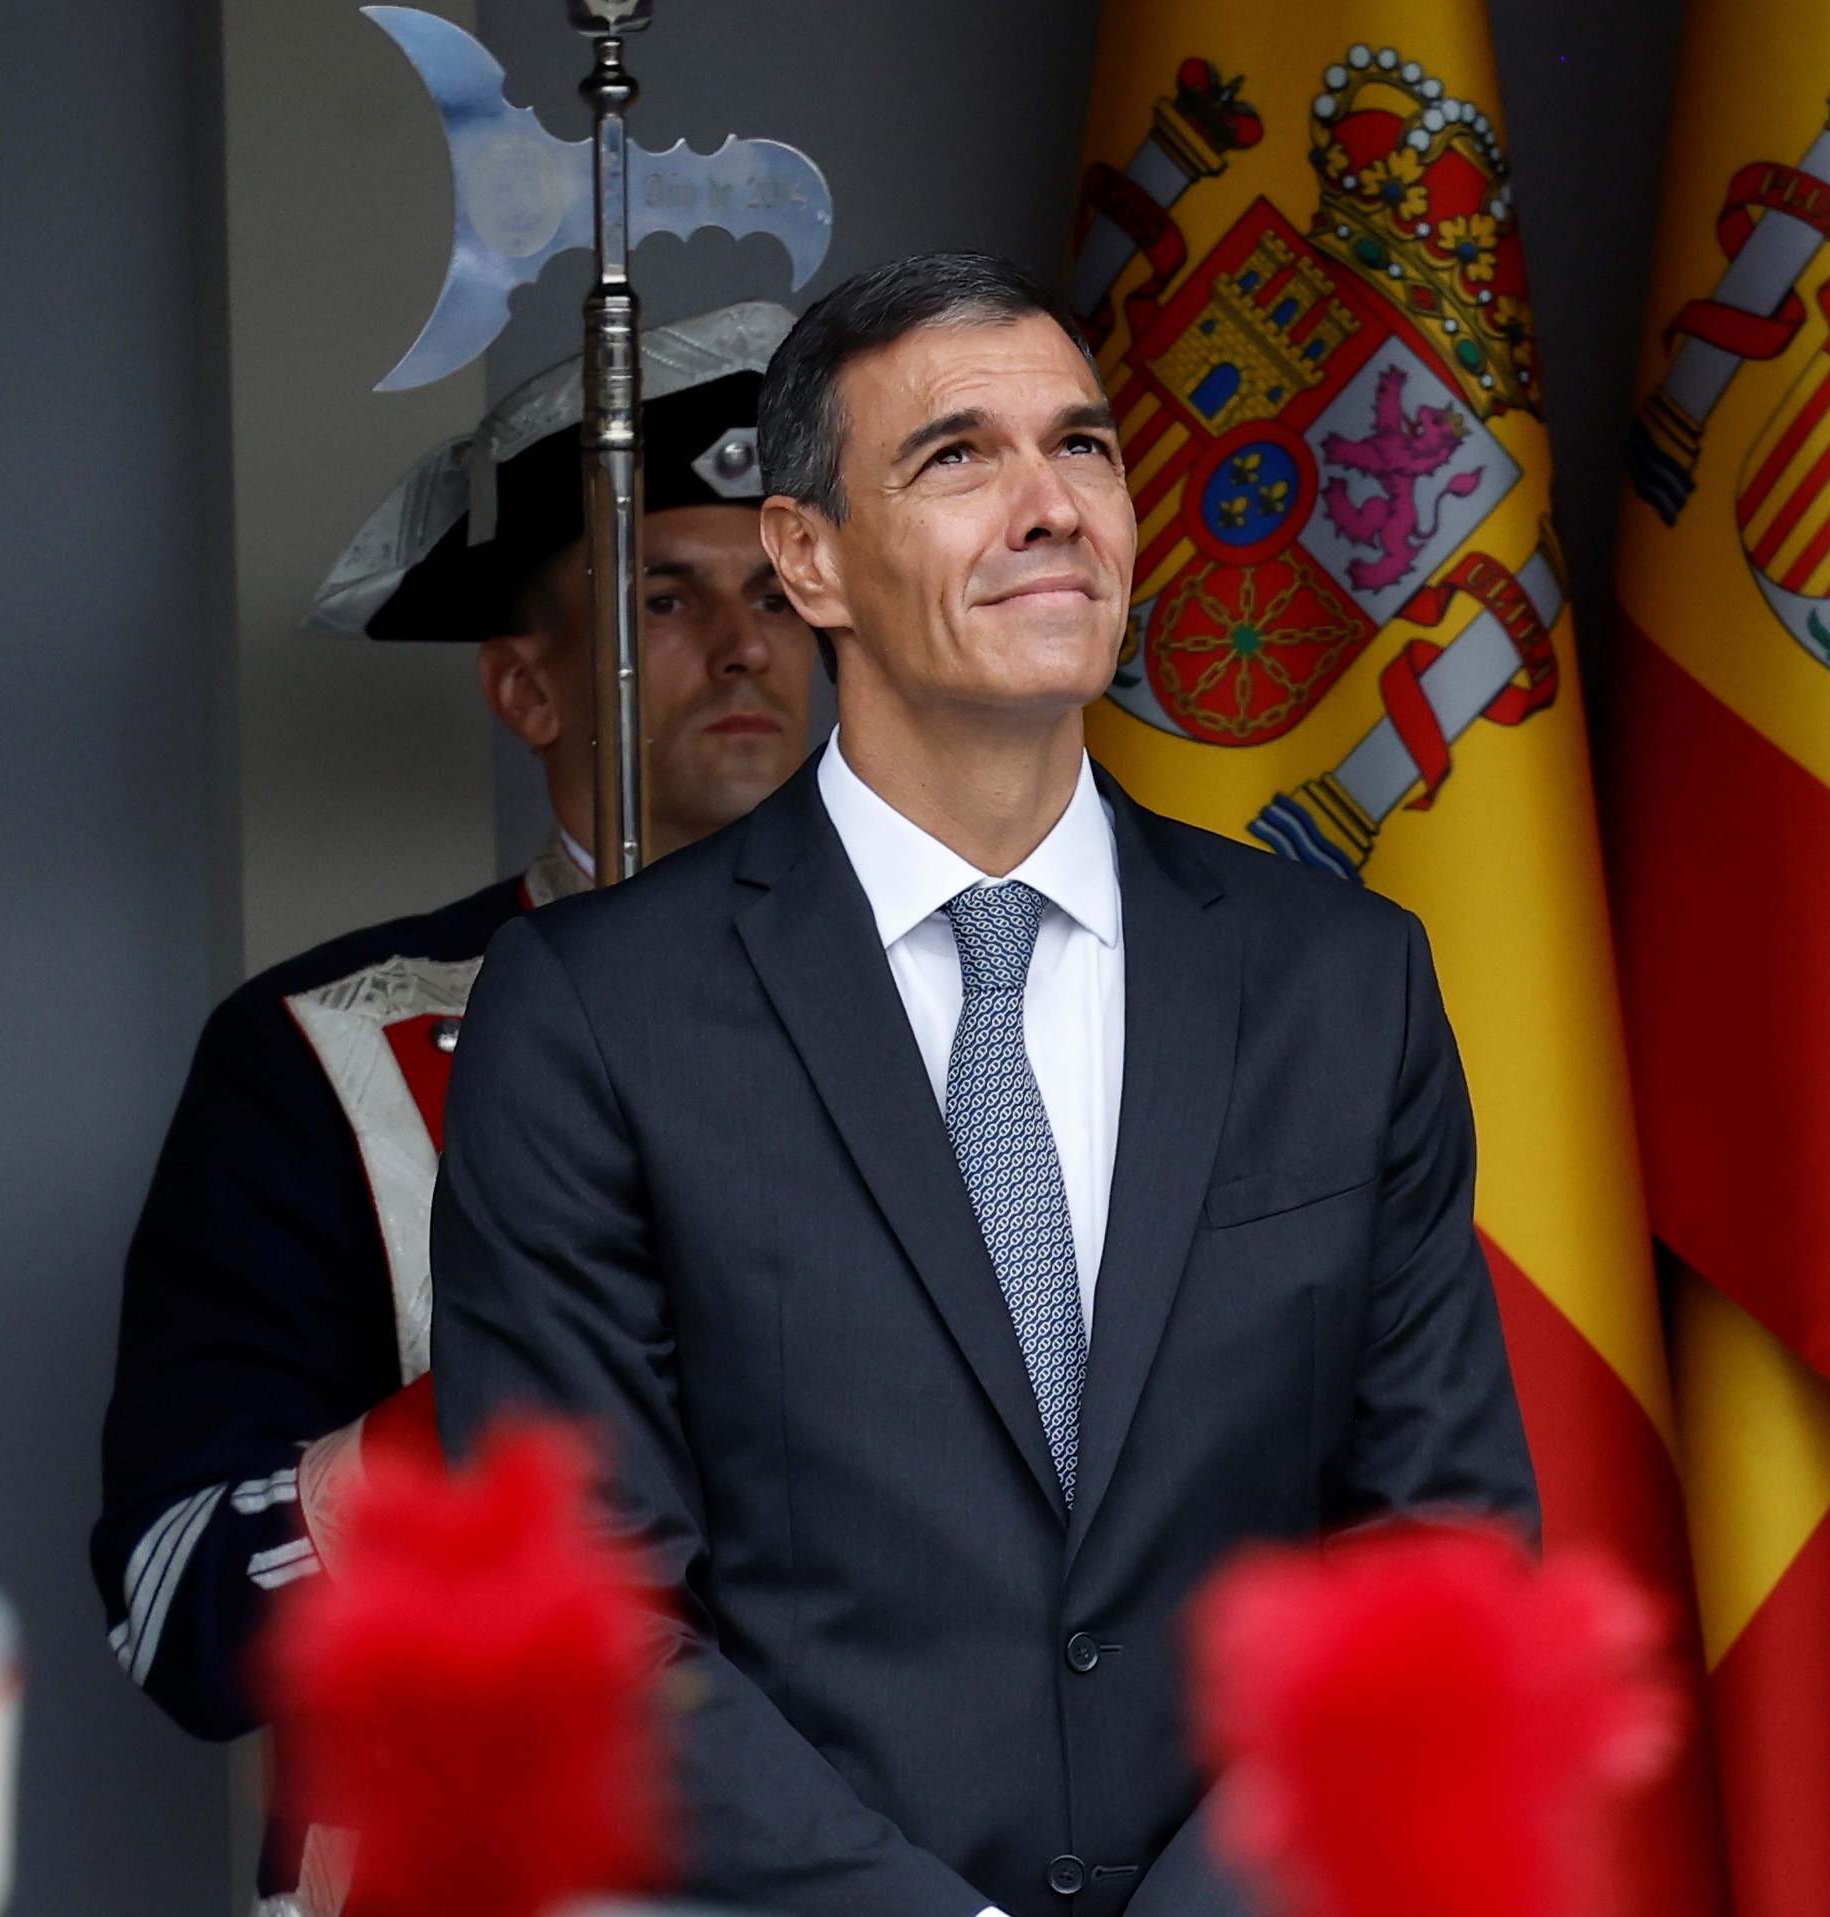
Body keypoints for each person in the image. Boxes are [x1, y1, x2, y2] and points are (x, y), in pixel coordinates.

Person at [428, 251, 1536, 1917]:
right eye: (959, 456)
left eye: (1083, 447)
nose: (1052, 507)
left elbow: (1441, 1552)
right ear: (809, 556)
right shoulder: (592, 1014)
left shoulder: (1341, 980)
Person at [92, 303, 820, 1914]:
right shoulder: (316, 1055)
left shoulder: (984, 1029)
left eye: (781, 593)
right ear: (526, 685)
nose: (746, 643)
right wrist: (519, 1404)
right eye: (663, 597)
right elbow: (178, 1614)